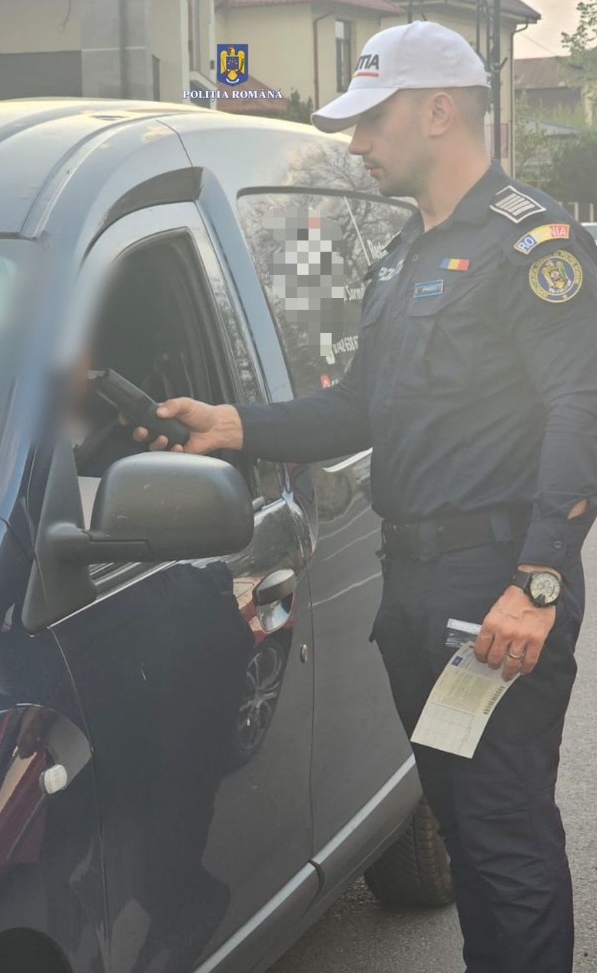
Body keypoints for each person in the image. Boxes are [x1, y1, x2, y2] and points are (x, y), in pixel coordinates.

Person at [131, 20, 597, 973]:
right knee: (461, 825)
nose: (354, 143)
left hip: (494, 586)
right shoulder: (402, 258)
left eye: (371, 120)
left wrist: (537, 582)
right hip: (416, 587)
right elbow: (358, 406)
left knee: (503, 836)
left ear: (438, 112)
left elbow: (580, 408)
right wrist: (230, 425)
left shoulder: (535, 244)